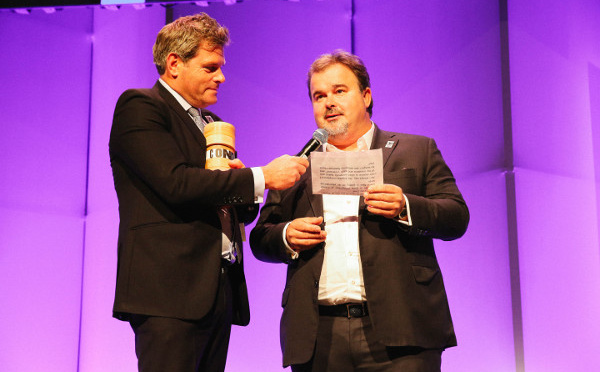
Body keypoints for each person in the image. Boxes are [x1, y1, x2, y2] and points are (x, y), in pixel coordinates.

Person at [109, 13, 308, 372]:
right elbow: (176, 183)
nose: (222, 77)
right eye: (210, 67)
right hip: (168, 291)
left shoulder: (213, 125)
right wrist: (262, 176)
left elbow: (226, 204)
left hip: (216, 289)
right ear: (174, 64)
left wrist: (243, 191)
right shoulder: (141, 107)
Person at [250, 50, 469, 372]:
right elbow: (261, 239)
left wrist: (405, 206)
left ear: (365, 96)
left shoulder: (416, 149)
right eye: (318, 95)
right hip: (317, 336)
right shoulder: (296, 167)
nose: (328, 102)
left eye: (340, 91)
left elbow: (455, 216)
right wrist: (286, 236)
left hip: (403, 331)